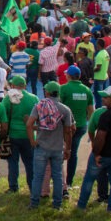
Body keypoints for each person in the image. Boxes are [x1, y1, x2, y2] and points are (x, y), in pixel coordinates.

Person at [27, 82, 75, 210]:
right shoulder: (65, 109)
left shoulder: (39, 106)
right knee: (58, 177)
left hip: (41, 147)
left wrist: (32, 140)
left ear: (47, 92)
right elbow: (68, 131)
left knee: (38, 176)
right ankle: (57, 204)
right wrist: (68, 148)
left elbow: (29, 124)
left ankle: (34, 203)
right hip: (57, 147)